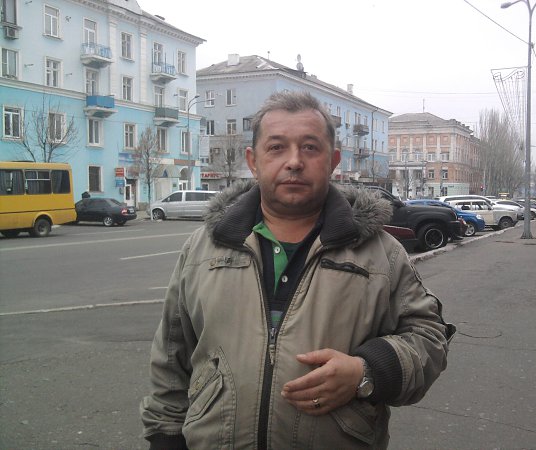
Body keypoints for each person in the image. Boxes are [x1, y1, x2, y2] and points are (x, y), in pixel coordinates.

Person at [140, 91, 454, 449]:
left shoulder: (381, 253)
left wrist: (366, 371)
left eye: (310, 148)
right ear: (253, 161)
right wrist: (165, 438)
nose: (294, 161)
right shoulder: (203, 248)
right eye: (276, 147)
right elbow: (172, 354)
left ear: (333, 161)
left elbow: (430, 338)